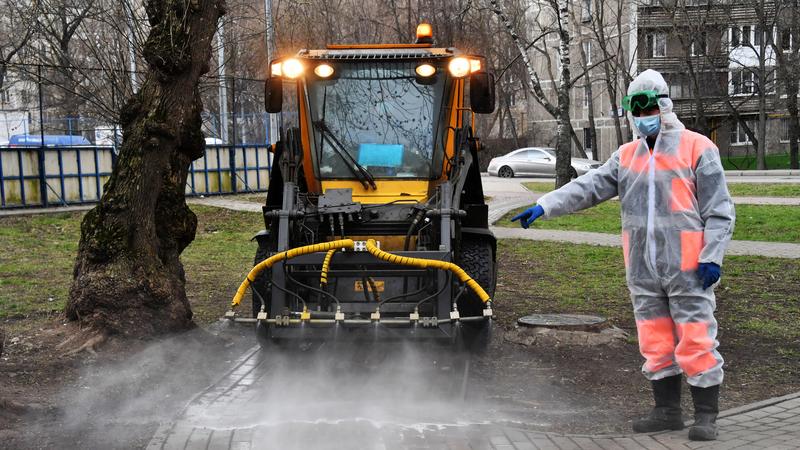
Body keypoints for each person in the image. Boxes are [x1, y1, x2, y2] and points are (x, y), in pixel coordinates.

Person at [512, 69, 735, 441]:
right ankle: (666, 411)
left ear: (663, 105)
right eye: (634, 108)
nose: (641, 115)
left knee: (696, 336)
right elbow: (588, 186)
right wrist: (545, 205)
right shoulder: (626, 155)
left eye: (646, 106)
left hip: (688, 267)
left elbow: (719, 210)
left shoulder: (698, 148)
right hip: (643, 267)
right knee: (655, 339)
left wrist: (712, 255)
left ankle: (706, 414)